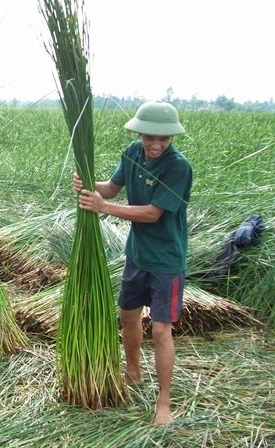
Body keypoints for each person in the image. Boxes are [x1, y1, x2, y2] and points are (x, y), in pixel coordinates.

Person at [72, 101, 192, 425]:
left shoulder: (178, 167)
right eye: (149, 137)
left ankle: (164, 402)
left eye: (163, 139)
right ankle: (134, 372)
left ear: (171, 138)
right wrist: (88, 185)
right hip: (137, 255)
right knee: (127, 316)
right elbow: (111, 188)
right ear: (140, 132)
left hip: (167, 261)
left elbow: (153, 213)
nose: (156, 144)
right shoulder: (132, 153)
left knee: (162, 330)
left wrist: (103, 209)